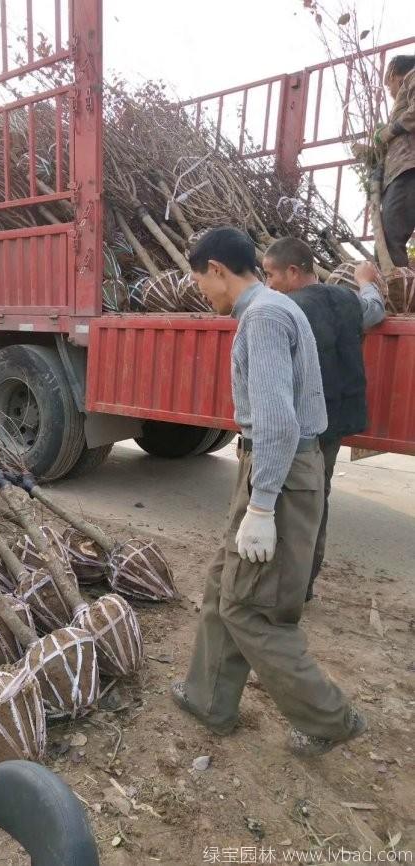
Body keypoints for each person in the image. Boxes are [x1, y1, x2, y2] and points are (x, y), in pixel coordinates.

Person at [172, 227, 366, 757]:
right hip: (273, 466)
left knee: (252, 608)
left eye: (199, 280)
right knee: (223, 584)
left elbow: (278, 421)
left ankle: (328, 719)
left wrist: (261, 507)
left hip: (277, 472)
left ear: (217, 269)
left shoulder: (263, 318)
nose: (201, 292)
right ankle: (208, 699)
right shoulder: (275, 309)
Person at [263, 238, 386, 601]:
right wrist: (365, 281)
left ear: (293, 272)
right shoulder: (347, 300)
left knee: (285, 501)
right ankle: (304, 585)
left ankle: (280, 587)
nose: (268, 284)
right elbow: (374, 310)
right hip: (334, 422)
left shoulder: (287, 308)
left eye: (271, 275)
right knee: (318, 499)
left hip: (298, 426)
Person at [375, 55, 415, 267]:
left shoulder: (412, 77)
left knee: (388, 242)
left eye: (388, 84)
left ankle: (394, 287)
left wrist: (389, 131)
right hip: (405, 170)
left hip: (408, 170)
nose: (390, 92)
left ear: (392, 74)